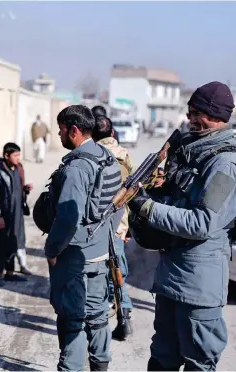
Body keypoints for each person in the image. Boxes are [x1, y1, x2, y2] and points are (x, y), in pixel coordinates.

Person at [127, 82, 236, 371]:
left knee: (198, 362)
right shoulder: (194, 152)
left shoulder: (226, 164)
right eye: (190, 111)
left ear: (217, 115)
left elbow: (202, 222)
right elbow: (181, 202)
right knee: (161, 359)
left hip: (199, 289)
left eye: (198, 113)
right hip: (173, 279)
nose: (191, 119)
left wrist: (147, 207)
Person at [44, 105, 122, 371]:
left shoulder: (77, 168)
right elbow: (117, 205)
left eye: (62, 129)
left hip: (75, 256)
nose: (59, 134)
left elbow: (68, 218)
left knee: (71, 319)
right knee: (98, 315)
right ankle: (100, 364)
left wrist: (52, 250)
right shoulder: (106, 156)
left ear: (74, 130)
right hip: (100, 252)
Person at [92, 115, 135, 340]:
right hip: (120, 223)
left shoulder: (91, 153)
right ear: (112, 133)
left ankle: (120, 316)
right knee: (116, 270)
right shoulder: (124, 154)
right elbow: (133, 191)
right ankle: (123, 315)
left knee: (104, 275)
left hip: (97, 226)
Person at [0, 143, 32, 286]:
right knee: (2, 246)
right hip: (4, 215)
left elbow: (16, 190)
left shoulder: (17, 169)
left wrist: (25, 189)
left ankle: (10, 273)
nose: (18, 158)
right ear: (6, 156)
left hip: (17, 214)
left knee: (14, 243)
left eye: (19, 155)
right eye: (15, 155)